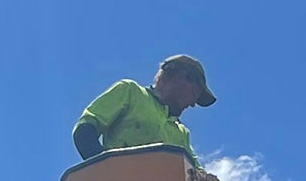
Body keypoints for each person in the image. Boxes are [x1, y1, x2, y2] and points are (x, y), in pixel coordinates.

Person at [73, 56, 216, 164]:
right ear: (176, 75)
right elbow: (85, 129)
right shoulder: (130, 92)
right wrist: (106, 170)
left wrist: (209, 180)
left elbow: (197, 173)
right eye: (194, 95)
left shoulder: (181, 132)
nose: (192, 105)